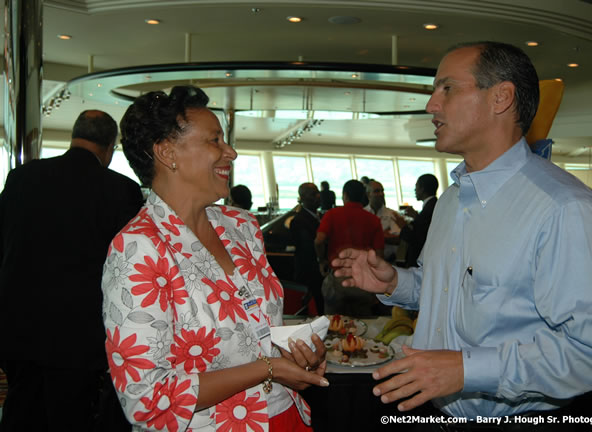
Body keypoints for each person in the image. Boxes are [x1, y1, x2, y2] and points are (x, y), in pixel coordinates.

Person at [332, 42, 592, 424]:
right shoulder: (453, 198)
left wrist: (468, 369)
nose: (431, 105)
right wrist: (396, 283)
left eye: (447, 89)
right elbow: (458, 290)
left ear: (501, 97)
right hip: (437, 410)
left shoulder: (564, 209)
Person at [104, 86, 328, 431]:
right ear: (167, 153)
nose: (231, 152)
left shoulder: (241, 226)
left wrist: (297, 358)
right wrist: (269, 368)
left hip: (285, 415)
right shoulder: (138, 249)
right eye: (215, 141)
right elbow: (145, 398)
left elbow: (258, 331)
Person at [0, 110, 144, 431]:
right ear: (110, 146)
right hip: (79, 333)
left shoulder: (21, 178)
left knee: (21, 409)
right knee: (70, 417)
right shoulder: (120, 190)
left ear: (73, 135)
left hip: (18, 325)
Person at [315, 180, 384, 315]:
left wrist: (321, 260)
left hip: (337, 279)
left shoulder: (332, 214)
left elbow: (319, 240)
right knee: (361, 325)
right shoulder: (373, 220)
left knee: (333, 325)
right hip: (362, 281)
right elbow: (379, 255)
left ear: (345, 195)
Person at [289, 183, 325, 314]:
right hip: (310, 275)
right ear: (302, 197)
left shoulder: (319, 217)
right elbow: (308, 249)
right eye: (313, 194)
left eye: (318, 193)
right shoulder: (299, 221)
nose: (318, 196)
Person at [399, 174, 439, 268]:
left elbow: (419, 237)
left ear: (422, 189)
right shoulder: (434, 204)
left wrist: (403, 225)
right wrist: (416, 217)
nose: (415, 190)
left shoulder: (430, 208)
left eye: (416, 186)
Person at [364, 180, 405, 262]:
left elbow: (397, 239)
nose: (381, 194)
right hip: (365, 260)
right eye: (376, 191)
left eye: (382, 191)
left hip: (387, 261)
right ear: (368, 194)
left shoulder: (393, 215)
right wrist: (383, 235)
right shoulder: (362, 214)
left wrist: (371, 236)